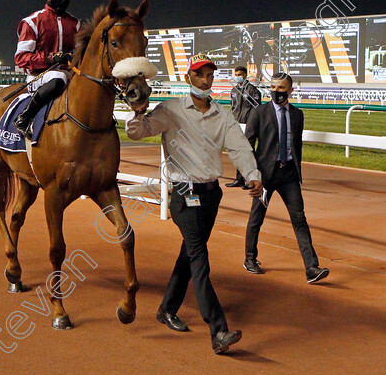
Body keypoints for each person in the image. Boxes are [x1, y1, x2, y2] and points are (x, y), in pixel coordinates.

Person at [126, 53, 264, 355]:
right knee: (200, 258)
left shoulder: (223, 115)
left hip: (211, 195)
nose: (205, 79)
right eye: (199, 74)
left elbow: (239, 148)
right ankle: (218, 330)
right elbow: (138, 131)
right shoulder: (172, 109)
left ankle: (166, 309)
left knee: (189, 255)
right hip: (183, 195)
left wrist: (252, 174)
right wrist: (137, 111)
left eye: (210, 75)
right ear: (189, 77)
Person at [243, 72, 329, 284]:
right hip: (265, 177)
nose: (276, 92)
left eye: (281, 88)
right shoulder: (259, 113)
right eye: (273, 87)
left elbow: (296, 146)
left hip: (289, 175)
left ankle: (311, 267)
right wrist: (250, 175)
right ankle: (250, 258)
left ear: (290, 91)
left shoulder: (297, 115)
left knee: (299, 218)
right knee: (257, 217)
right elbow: (247, 146)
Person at [13, 0, 79, 135]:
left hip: (70, 74)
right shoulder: (32, 22)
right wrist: (52, 58)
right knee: (59, 78)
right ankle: (24, 117)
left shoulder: (75, 23)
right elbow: (21, 58)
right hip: (40, 76)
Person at [226, 66, 262, 188]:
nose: (237, 77)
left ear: (245, 75)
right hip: (237, 125)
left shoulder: (253, 91)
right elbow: (233, 108)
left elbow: (257, 109)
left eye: (239, 74)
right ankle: (239, 179)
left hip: (249, 126)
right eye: (235, 74)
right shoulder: (234, 91)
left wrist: (252, 124)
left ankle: (252, 180)